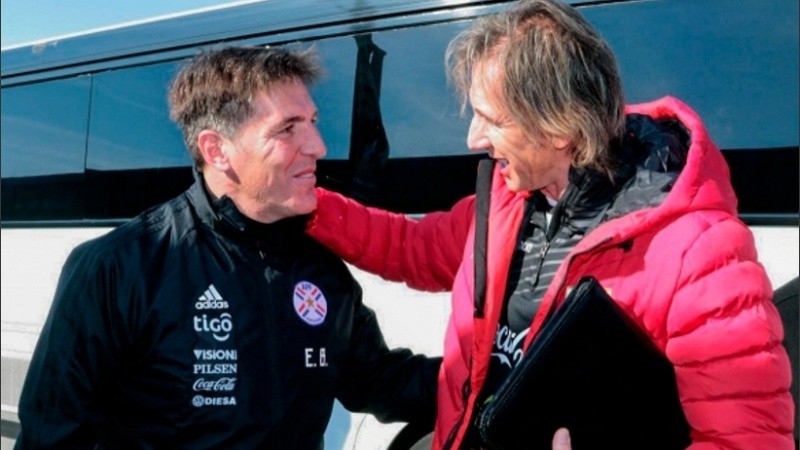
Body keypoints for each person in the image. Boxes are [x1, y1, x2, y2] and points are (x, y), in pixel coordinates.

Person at [305, 0, 795, 448]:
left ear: (559, 127)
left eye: (493, 120)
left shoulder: (699, 256)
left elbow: (751, 441)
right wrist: (306, 203)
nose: (473, 138)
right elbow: (409, 246)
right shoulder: (506, 202)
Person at [14, 46, 440, 449]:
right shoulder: (120, 267)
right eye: (288, 128)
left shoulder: (319, 266)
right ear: (216, 150)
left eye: (312, 122)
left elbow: (381, 381)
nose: (318, 146)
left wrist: (478, 374)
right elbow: (52, 435)